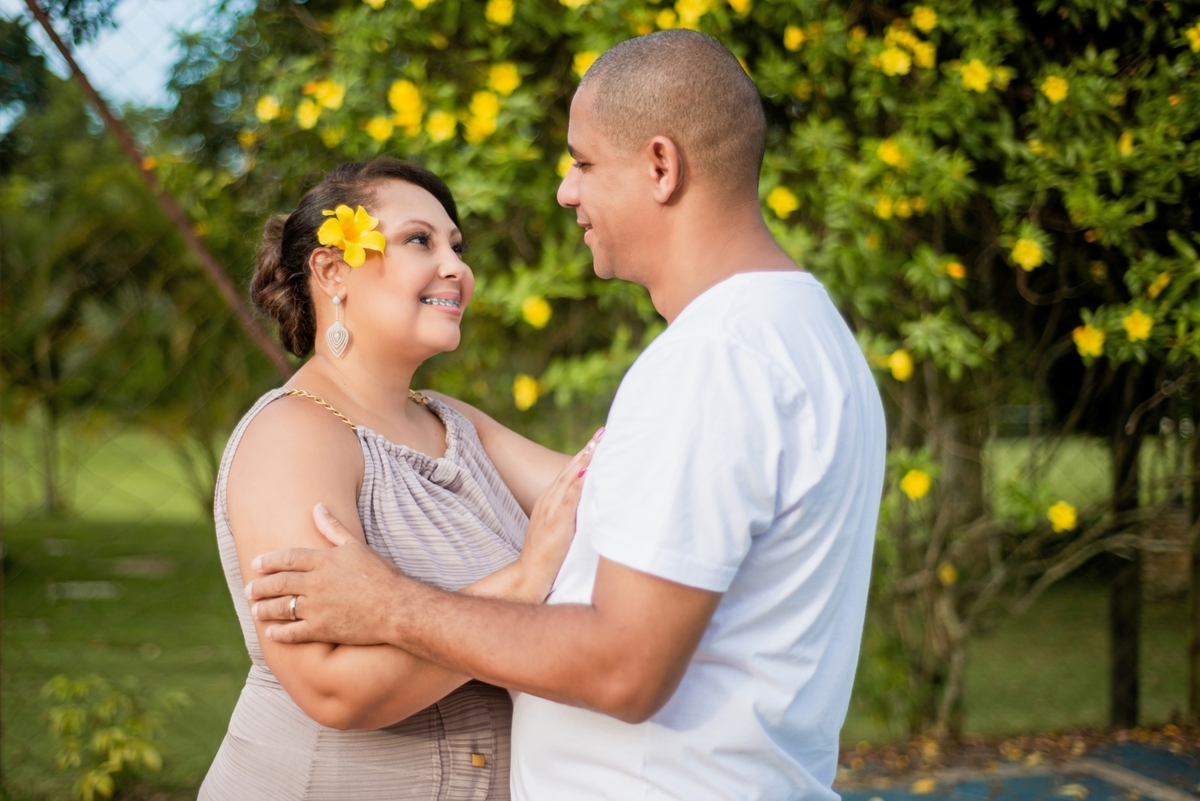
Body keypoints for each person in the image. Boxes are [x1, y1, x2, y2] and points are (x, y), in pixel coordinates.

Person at [248, 30, 887, 800]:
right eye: (421, 239)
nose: (566, 190)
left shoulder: (717, 357)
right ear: (331, 271)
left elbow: (623, 663)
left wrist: (390, 602)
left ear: (660, 166)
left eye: (583, 162)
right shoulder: (801, 336)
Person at [200, 158, 597, 800]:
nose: (456, 268)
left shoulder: (456, 424)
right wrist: (524, 582)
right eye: (420, 240)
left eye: (457, 247)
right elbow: (332, 688)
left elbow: (606, 491)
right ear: (332, 271)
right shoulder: (293, 435)